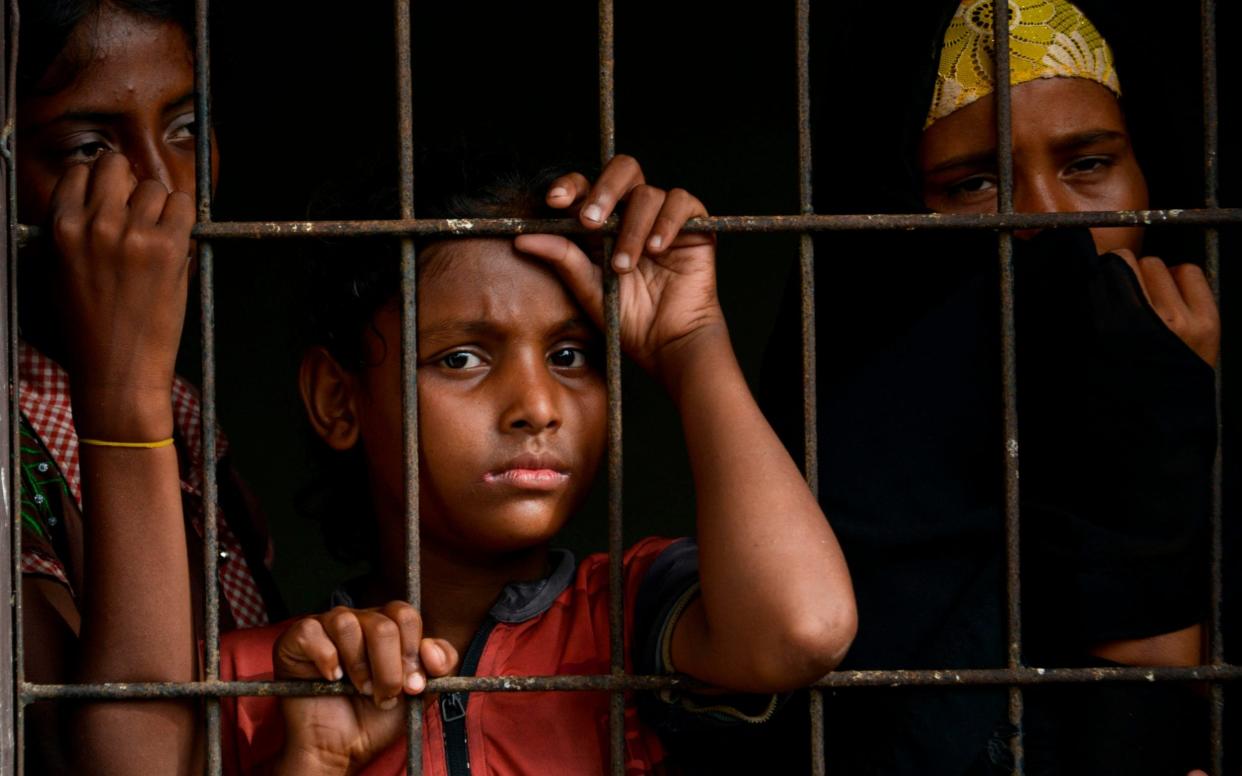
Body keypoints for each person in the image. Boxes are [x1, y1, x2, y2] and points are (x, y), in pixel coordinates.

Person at [215, 161, 857, 775]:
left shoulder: (635, 614)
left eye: (571, 355)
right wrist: (311, 763)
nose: (537, 407)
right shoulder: (247, 678)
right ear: (338, 399)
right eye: (462, 359)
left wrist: (690, 341)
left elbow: (803, 630)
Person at [753, 0, 1218, 773]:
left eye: (1089, 166)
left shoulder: (1201, 375)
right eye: (974, 184)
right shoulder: (842, 444)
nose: (1045, 217)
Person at [13, 1, 287, 772]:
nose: (167, 184)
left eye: (187, 127)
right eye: (87, 147)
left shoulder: (194, 422)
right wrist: (123, 390)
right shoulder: (20, 439)